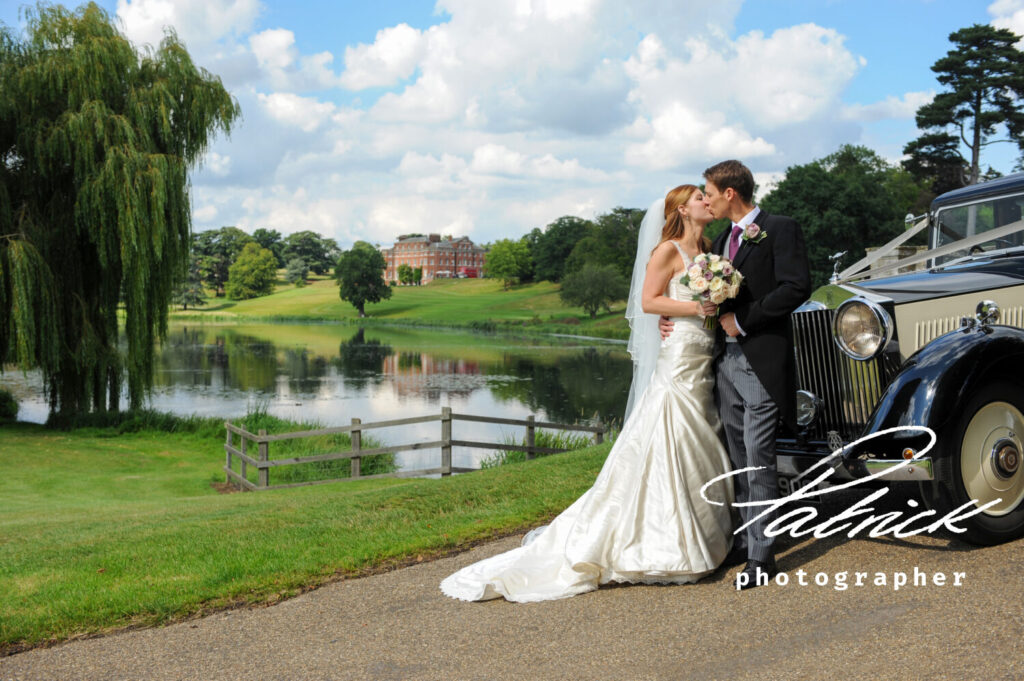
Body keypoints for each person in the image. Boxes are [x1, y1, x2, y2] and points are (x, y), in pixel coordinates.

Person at [440, 185, 735, 603]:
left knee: (700, 433)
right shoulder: (668, 249)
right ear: (682, 209)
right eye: (700, 198)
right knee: (672, 433)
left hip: (704, 353)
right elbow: (649, 301)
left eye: (709, 197)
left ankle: (703, 531)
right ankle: (664, 543)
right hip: (679, 355)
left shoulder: (708, 247)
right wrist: (694, 309)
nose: (708, 201)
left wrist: (711, 305)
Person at [660, 160, 811, 590]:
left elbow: (796, 287)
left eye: (708, 191)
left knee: (759, 454)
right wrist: (672, 318)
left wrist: (743, 321)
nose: (704, 199)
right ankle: (748, 538)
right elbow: (699, 291)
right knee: (738, 457)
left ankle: (763, 558)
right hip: (721, 360)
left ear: (730, 193)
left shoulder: (780, 228)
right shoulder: (722, 238)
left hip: (760, 356)